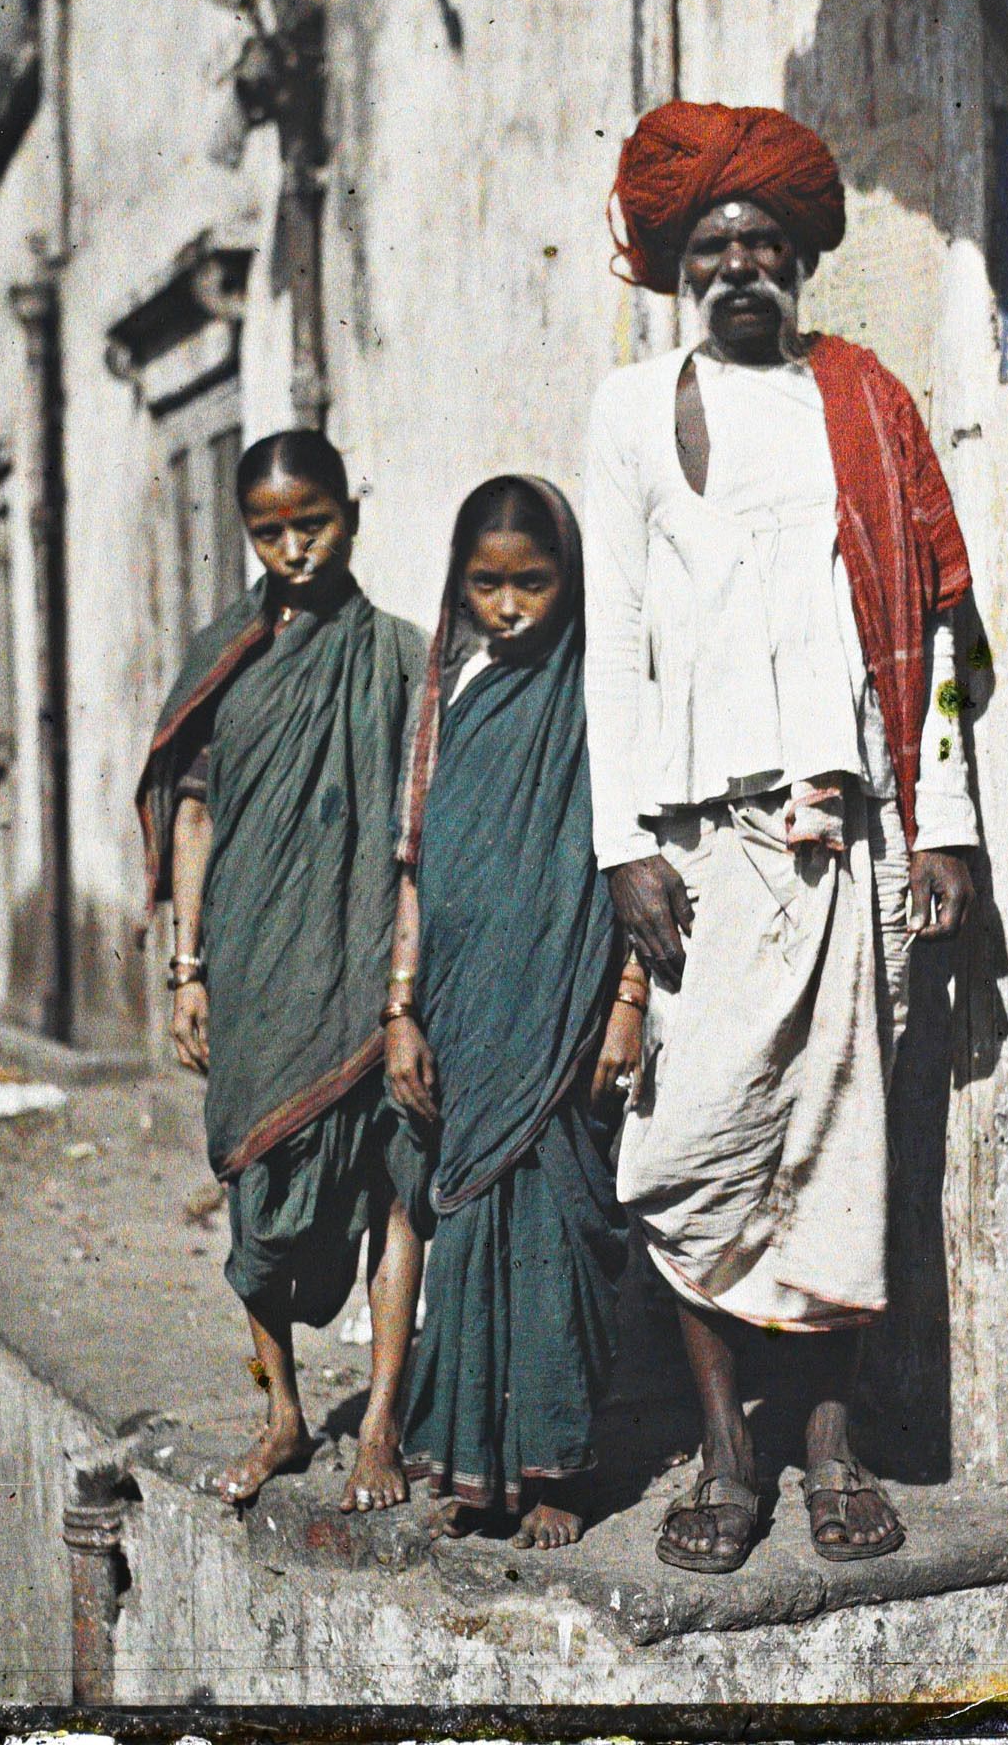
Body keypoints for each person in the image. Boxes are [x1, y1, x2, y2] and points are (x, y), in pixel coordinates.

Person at [582, 100, 980, 1572]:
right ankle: (722, 1450)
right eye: (713, 248)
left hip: (850, 836)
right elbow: (609, 639)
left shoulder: (861, 401)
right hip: (702, 847)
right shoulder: (632, 411)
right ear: (678, 269)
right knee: (686, 1149)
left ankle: (819, 1444)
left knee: (839, 1154)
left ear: (799, 258)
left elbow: (933, 631)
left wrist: (947, 828)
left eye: (763, 244)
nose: (741, 267)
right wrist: (624, 840)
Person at [137, 430, 430, 1511]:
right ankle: (283, 1410)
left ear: (351, 511)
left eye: (314, 521)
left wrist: (405, 980)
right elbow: (197, 813)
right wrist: (187, 968)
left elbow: (419, 821)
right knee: (253, 1196)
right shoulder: (230, 659)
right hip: (256, 967)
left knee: (395, 1188)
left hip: (369, 960)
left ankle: (383, 1424)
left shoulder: (400, 654)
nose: (296, 545)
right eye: (270, 530)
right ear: (246, 533)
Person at [384, 476, 642, 1549]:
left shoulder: (606, 693)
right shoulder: (452, 698)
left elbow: (636, 855)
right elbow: (413, 868)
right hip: (461, 1003)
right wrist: (400, 1010)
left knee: (557, 1227)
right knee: (468, 1223)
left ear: (569, 579)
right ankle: (474, 1462)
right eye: (485, 584)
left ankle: (559, 1469)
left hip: (568, 1005)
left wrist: (625, 1001)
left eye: (531, 581)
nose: (508, 606)